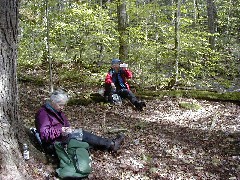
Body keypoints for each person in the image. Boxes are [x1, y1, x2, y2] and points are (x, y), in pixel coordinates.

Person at [35, 89, 125, 155]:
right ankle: (111, 144)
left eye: (63, 105)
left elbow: (65, 125)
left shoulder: (57, 111)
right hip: (52, 145)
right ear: (52, 102)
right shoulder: (43, 114)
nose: (62, 108)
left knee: (82, 138)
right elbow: (44, 134)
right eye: (60, 105)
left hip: (60, 139)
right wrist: (60, 131)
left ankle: (107, 146)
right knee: (81, 134)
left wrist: (66, 130)